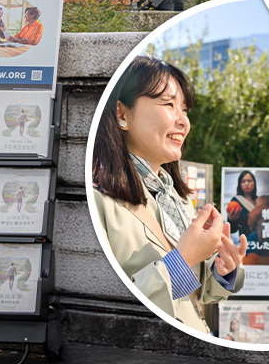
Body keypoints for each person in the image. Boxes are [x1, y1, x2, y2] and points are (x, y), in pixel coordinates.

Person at [91, 55, 247, 334]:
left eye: (185, 110)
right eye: (168, 104)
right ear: (121, 113)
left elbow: (193, 298)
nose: (183, 122)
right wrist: (185, 258)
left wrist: (222, 270)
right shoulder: (97, 199)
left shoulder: (180, 199)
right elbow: (112, 312)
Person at [226, 171, 258, 239]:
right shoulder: (236, 200)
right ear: (240, 184)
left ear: (254, 183)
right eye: (243, 181)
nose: (246, 184)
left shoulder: (259, 200)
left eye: (249, 181)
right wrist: (231, 219)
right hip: (246, 240)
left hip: (262, 239)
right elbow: (232, 230)